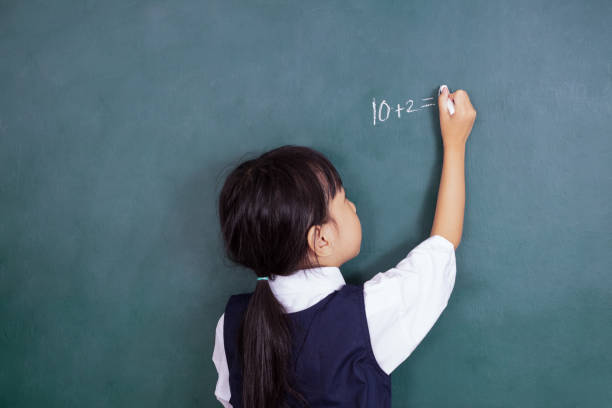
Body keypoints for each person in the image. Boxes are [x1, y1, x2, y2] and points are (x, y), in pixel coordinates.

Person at [212, 85, 477, 407]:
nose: (353, 205)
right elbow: (442, 246)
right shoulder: (365, 315)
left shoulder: (232, 323)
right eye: (342, 198)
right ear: (321, 239)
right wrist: (455, 144)